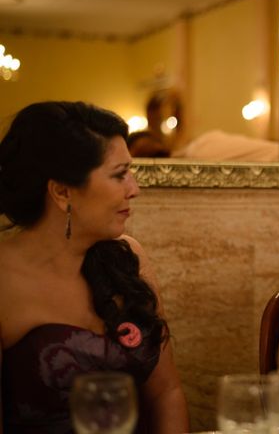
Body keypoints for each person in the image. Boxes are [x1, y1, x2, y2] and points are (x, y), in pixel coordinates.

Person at [0, 102, 189, 433]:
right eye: (119, 175)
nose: (135, 189)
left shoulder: (128, 257)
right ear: (62, 191)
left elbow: (166, 393)